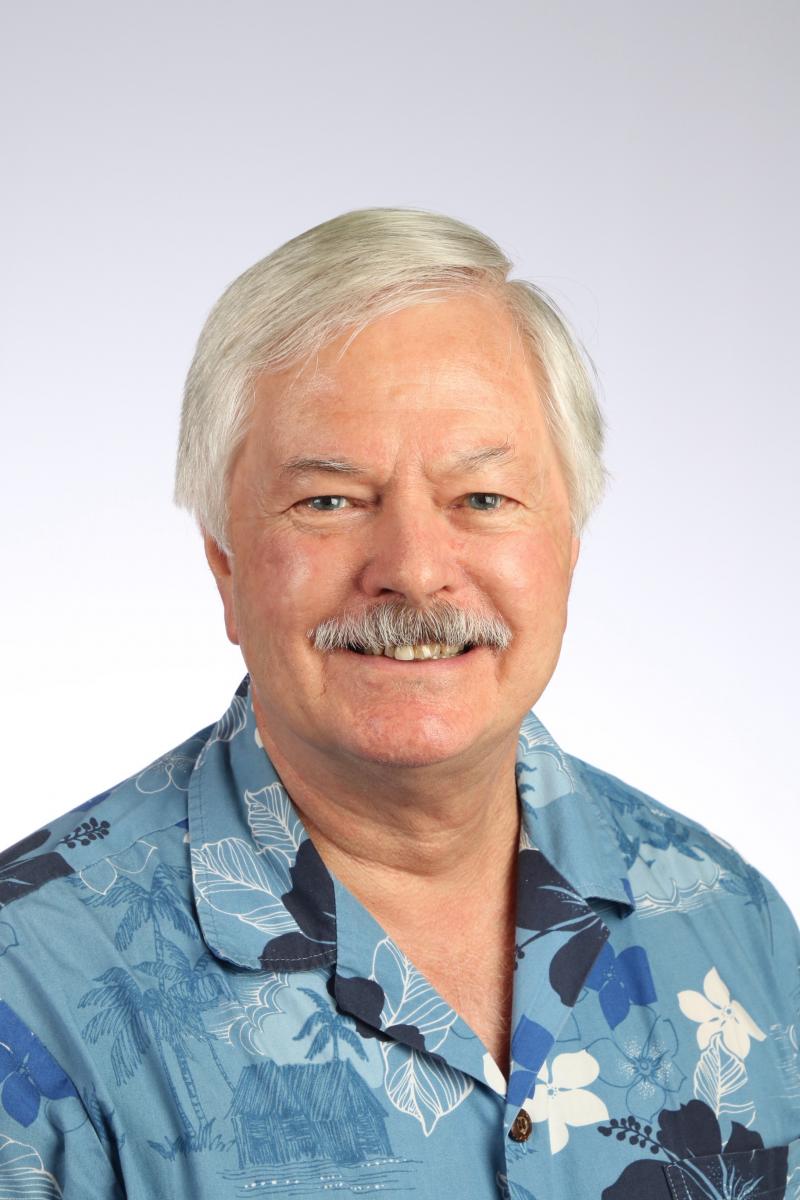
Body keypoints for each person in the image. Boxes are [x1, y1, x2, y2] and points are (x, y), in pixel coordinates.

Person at [0, 208, 797, 1200]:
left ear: (567, 546)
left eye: (482, 499)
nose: (415, 570)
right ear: (225, 565)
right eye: (329, 501)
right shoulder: (29, 983)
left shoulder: (732, 922)